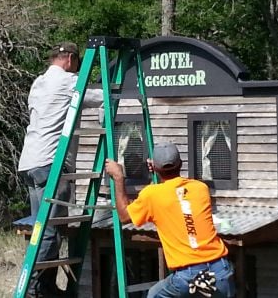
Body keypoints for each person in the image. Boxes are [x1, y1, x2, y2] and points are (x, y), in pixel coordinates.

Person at [18, 41, 103, 297]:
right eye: (76, 63)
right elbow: (101, 96)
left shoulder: (38, 82)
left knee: (40, 227)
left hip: (30, 162)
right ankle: (31, 287)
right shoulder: (67, 81)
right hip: (51, 164)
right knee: (50, 233)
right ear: (69, 59)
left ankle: (44, 288)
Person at [105, 142, 236, 298]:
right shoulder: (200, 188)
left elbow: (125, 216)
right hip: (220, 269)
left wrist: (119, 178)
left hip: (189, 276)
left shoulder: (152, 195)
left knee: (154, 295)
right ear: (180, 164)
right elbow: (175, 198)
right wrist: (160, 173)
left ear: (155, 167)